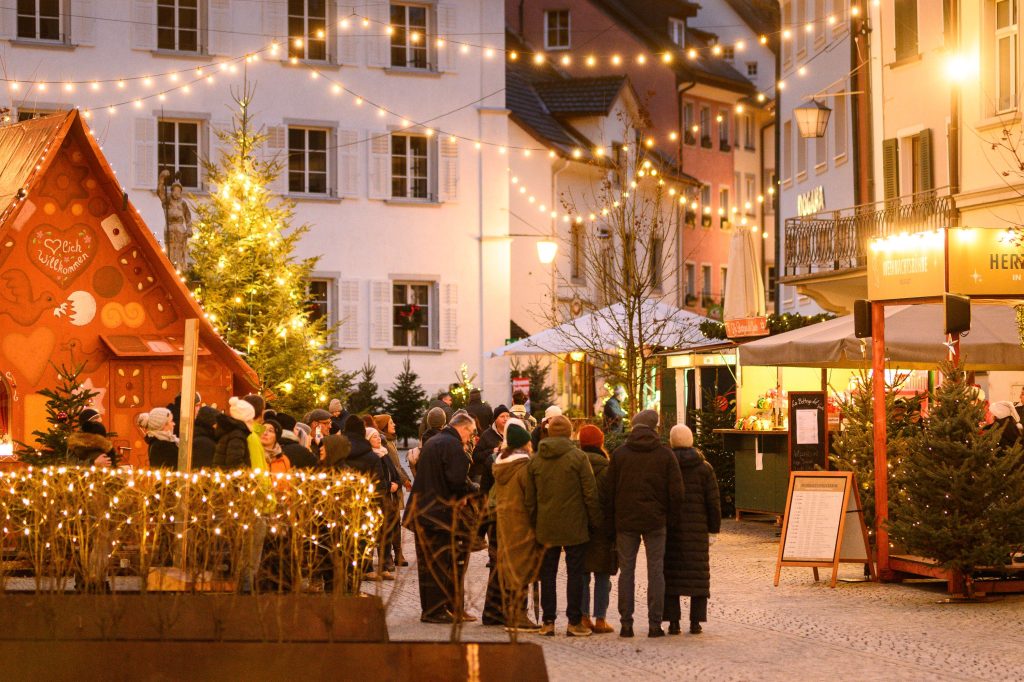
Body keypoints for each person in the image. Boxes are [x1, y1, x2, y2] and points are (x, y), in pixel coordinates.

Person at [605, 409, 684, 638]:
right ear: (654, 428)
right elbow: (677, 493)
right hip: (656, 521)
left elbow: (608, 492)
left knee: (626, 572)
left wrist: (611, 522)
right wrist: (669, 519)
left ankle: (626, 624)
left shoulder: (620, 455)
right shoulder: (665, 455)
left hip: (626, 521)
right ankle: (655, 624)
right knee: (656, 571)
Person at [524, 415, 601, 637]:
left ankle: (548, 622)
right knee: (575, 573)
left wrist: (534, 523)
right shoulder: (578, 458)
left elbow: (530, 499)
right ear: (569, 433)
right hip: (575, 525)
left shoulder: (535, 460)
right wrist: (595, 521)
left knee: (547, 573)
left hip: (546, 526)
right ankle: (574, 622)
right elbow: (590, 493)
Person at [403, 412, 479, 624]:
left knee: (428, 565)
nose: (471, 438)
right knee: (438, 564)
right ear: (463, 428)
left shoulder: (435, 441)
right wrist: (469, 492)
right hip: (437, 515)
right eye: (471, 433)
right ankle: (436, 610)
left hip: (423, 512)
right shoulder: (453, 445)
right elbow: (456, 480)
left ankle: (432, 609)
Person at [664, 424, 721, 635]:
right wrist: (713, 530)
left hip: (672, 529)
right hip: (697, 531)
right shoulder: (704, 468)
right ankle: (696, 622)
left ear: (671, 441)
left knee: (671, 575)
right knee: (699, 574)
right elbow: (713, 502)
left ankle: (673, 622)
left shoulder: (666, 466)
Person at [490, 419, 543, 633]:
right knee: (521, 570)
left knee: (509, 568)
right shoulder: (523, 468)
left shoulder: (501, 465)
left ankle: (510, 613)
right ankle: (518, 616)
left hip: (505, 523)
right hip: (521, 524)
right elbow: (531, 500)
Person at [577, 424, 616, 634]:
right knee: (602, 574)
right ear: (601, 443)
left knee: (583, 574)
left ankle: (583, 617)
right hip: (603, 528)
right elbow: (612, 499)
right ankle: (600, 619)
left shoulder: (575, 464)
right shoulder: (608, 468)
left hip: (581, 525)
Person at [374, 414, 412, 566]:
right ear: (384, 426)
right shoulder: (383, 442)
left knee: (395, 520)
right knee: (390, 521)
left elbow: (397, 465)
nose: (394, 424)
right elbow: (393, 467)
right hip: (390, 486)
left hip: (396, 484)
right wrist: (403, 480)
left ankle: (397, 553)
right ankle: (390, 554)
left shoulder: (390, 441)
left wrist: (405, 479)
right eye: (391, 422)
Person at [368, 426, 401, 579]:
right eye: (374, 436)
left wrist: (397, 483)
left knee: (387, 531)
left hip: (389, 498)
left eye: (378, 436)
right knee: (374, 532)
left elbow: (394, 473)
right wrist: (389, 486)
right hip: (376, 499)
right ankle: (369, 566)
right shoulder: (370, 457)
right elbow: (375, 479)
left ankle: (385, 563)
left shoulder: (384, 453)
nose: (378, 439)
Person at [409, 406, 447, 476]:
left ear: (428, 421)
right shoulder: (445, 437)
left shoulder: (425, 436)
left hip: (425, 473)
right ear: (444, 421)